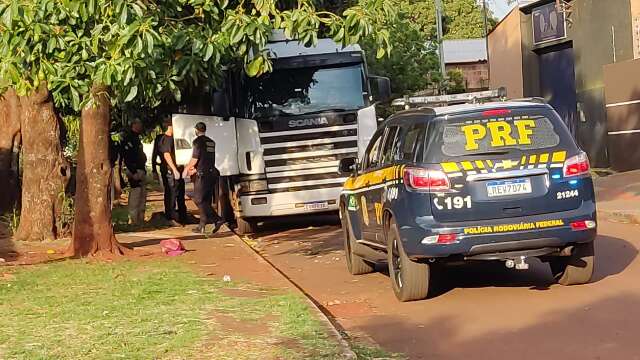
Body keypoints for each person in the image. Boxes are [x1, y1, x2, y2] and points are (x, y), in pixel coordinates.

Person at [182, 122, 225, 234]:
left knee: (198, 199)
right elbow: (206, 158)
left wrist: (187, 169)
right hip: (212, 172)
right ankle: (202, 225)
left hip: (202, 175)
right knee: (205, 200)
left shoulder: (197, 142)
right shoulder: (211, 142)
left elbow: (195, 159)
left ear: (196, 130)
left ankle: (217, 219)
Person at [157, 118, 187, 227]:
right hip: (171, 171)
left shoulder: (173, 138)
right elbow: (166, 155)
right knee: (171, 194)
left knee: (179, 194)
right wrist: (174, 169)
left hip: (177, 170)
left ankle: (182, 217)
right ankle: (171, 217)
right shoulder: (167, 139)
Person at [121, 119, 147, 225]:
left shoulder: (137, 138)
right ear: (134, 125)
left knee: (142, 194)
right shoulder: (128, 138)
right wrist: (133, 171)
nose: (141, 126)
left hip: (141, 169)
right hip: (134, 169)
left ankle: (141, 218)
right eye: (139, 124)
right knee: (135, 194)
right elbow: (127, 157)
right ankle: (133, 219)